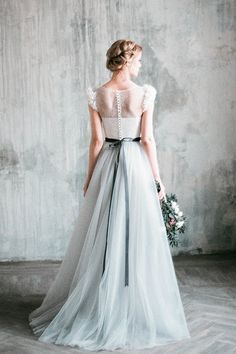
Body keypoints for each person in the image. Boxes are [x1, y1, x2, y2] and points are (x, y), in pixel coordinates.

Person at [28, 39, 190, 351]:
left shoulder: (97, 94)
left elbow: (96, 141)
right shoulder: (144, 94)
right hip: (135, 167)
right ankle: (128, 302)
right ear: (127, 62)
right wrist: (157, 179)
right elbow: (148, 139)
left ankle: (106, 299)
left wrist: (89, 178)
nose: (141, 66)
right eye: (138, 61)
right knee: (133, 232)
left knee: (104, 233)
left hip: (107, 166)